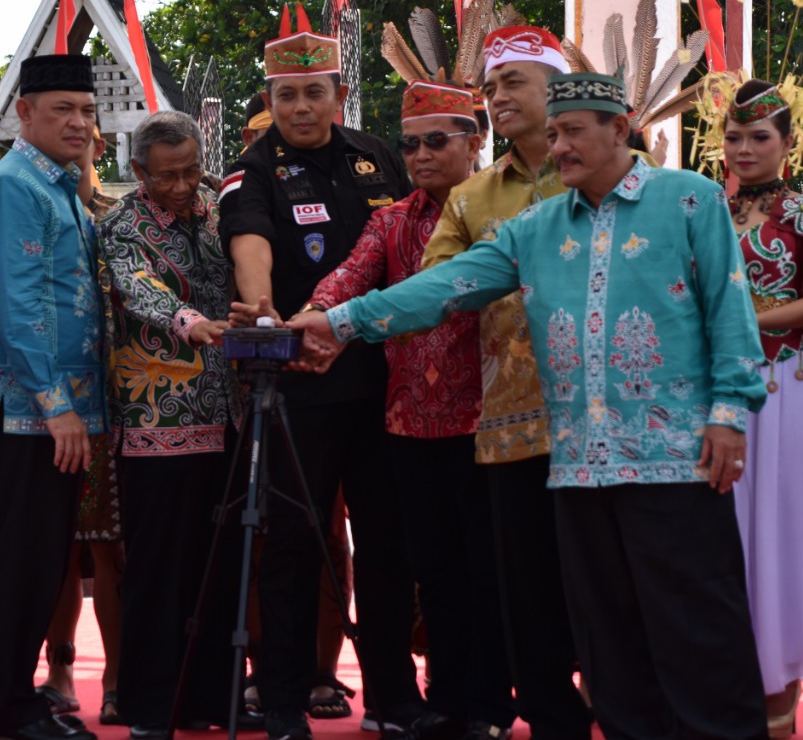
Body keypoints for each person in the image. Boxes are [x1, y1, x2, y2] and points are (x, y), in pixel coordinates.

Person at [292, 72, 772, 740]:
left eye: (574, 130)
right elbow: (442, 288)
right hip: (576, 465)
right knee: (607, 637)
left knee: (698, 627)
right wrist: (338, 321)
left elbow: (730, 310)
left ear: (621, 125)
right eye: (554, 133)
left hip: (675, 457)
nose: (560, 144)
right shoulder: (534, 228)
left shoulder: (689, 201)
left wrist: (729, 414)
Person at [219, 3, 434, 740]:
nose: (302, 106)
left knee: (386, 542)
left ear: (339, 94)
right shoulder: (251, 171)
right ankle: (281, 698)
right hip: (300, 384)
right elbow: (252, 250)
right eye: (286, 95)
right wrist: (266, 316)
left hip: (384, 382)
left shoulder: (379, 156)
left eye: (315, 92)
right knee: (292, 546)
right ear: (271, 101)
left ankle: (393, 698)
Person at [303, 78, 512, 738]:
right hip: (409, 422)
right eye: (409, 143)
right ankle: (444, 698)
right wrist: (314, 314)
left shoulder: (503, 212)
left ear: (476, 141)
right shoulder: (389, 220)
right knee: (435, 569)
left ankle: (491, 702)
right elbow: (349, 275)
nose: (420, 154)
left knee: (492, 568)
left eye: (436, 140)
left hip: (492, 420)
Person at [418, 25, 591, 739]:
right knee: (524, 583)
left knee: (605, 574)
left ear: (555, 88)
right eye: (491, 87)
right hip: (514, 414)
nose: (497, 97)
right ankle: (552, 715)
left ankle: (625, 699)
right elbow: (437, 283)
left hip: (607, 414)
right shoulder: (474, 194)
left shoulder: (611, 170)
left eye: (512, 82)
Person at [700, 77, 803, 737]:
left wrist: (735, 316)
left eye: (759, 137)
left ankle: (778, 705)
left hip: (785, 390)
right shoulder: (703, 208)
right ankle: (722, 692)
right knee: (722, 540)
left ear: (787, 144)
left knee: (782, 540)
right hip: (716, 392)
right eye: (734, 136)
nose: (743, 148)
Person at [0, 53, 104, 740]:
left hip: (53, 413)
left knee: (39, 560)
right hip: (26, 415)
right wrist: (58, 405)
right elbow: (21, 309)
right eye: (63, 111)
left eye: (86, 109)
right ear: (23, 113)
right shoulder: (13, 187)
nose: (80, 122)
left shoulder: (59, 186)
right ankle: (7, 703)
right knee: (30, 560)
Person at [95, 111, 237, 738]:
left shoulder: (216, 210)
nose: (182, 187)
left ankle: (208, 696)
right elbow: (137, 289)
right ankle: (148, 704)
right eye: (167, 177)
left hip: (224, 412)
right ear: (137, 173)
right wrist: (190, 323)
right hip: (157, 419)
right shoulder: (121, 225)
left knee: (217, 562)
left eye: (190, 172)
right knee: (156, 565)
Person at [41, 124, 125, 726]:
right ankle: (60, 669)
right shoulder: (29, 205)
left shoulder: (122, 219)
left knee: (115, 549)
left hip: (119, 406)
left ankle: (119, 677)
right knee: (54, 550)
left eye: (89, 136)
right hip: (49, 406)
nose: (79, 146)